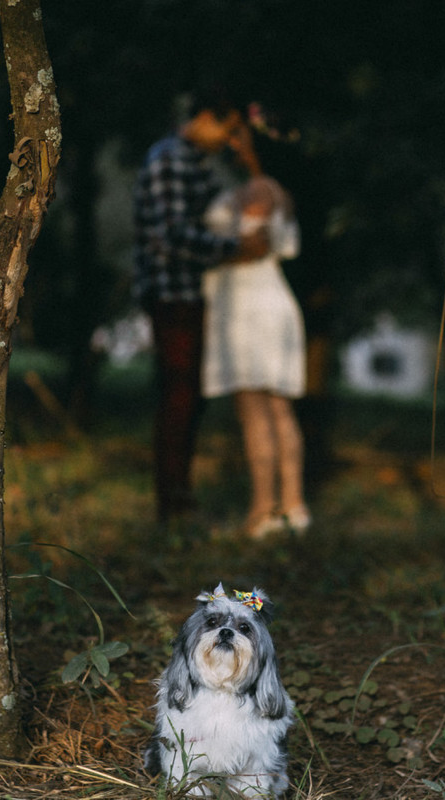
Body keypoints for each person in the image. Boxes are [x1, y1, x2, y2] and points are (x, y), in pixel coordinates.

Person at [132, 91, 267, 524]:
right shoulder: (171, 159)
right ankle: (172, 504)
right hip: (174, 295)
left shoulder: (193, 162)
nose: (228, 141)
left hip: (191, 295)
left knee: (188, 397)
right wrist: (234, 248)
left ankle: (179, 497)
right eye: (227, 131)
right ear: (206, 117)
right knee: (179, 396)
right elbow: (171, 236)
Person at [201, 124, 310, 538]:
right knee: (278, 407)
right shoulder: (272, 188)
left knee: (254, 410)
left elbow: (255, 244)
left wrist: (200, 249)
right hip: (265, 301)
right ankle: (293, 507)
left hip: (250, 306)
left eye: (240, 138)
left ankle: (263, 510)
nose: (231, 143)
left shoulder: (259, 189)